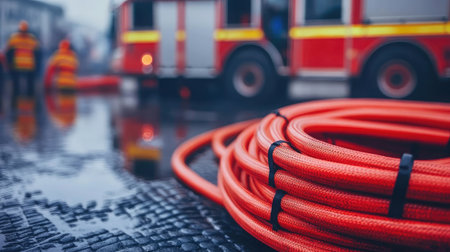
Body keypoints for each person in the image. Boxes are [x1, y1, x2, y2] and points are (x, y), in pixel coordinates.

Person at [5, 20, 40, 101]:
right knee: (16, 86)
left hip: (28, 66)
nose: (23, 32)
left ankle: (27, 102)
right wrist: (9, 63)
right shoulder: (15, 38)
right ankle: (16, 103)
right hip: (18, 65)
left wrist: (37, 65)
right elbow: (8, 52)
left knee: (29, 86)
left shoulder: (31, 39)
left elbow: (38, 53)